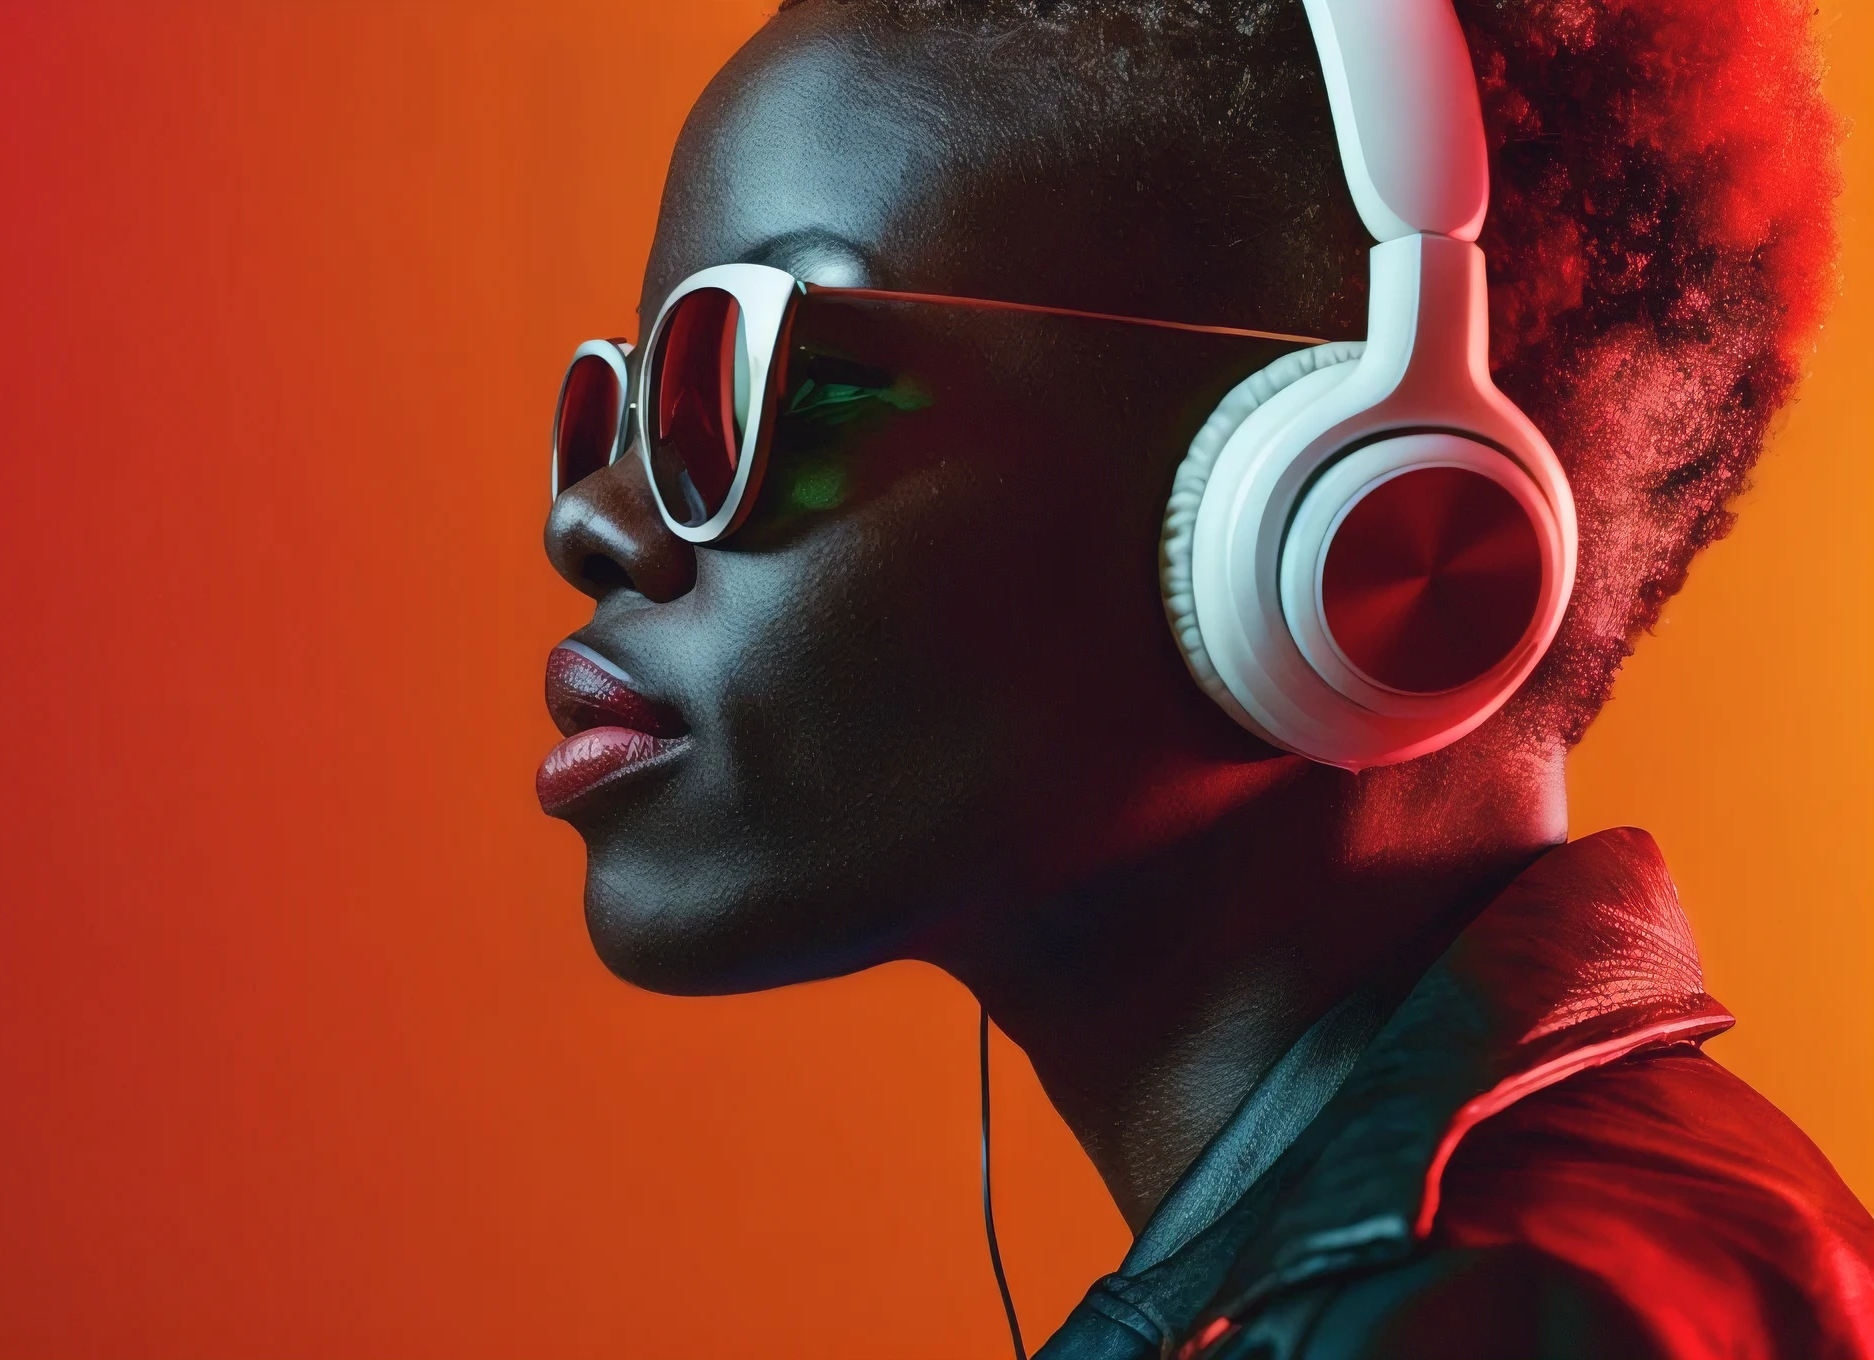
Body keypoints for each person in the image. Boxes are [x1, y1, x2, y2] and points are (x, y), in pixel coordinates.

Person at [537, 0, 1872, 1355]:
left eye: (751, 377)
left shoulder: (1483, 1320)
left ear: (1345, 521)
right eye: (620, 403)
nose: (589, 515)